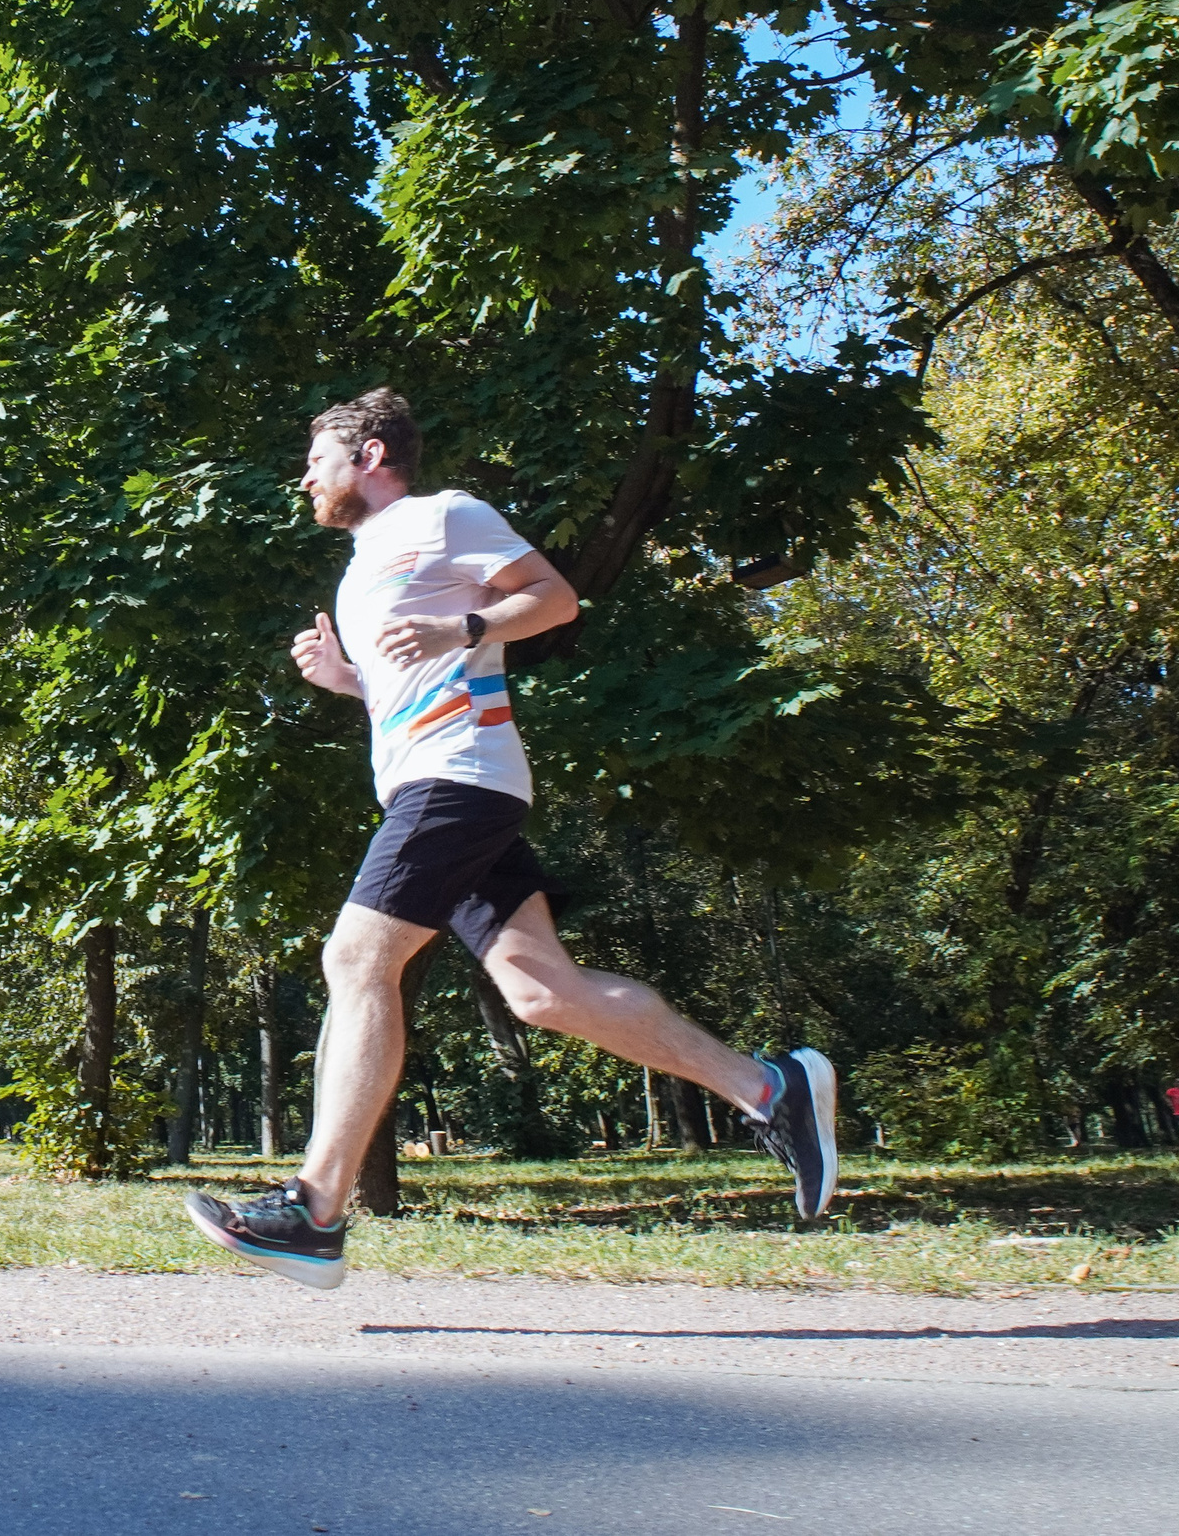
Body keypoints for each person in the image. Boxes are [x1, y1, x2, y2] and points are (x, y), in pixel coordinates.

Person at [184, 387, 840, 1290]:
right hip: (441, 778)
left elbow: (554, 597)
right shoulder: (368, 559)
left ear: (371, 455)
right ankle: (771, 1089)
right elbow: (413, 686)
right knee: (543, 991)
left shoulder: (442, 516)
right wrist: (348, 680)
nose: (305, 475)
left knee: (356, 959)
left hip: (458, 780)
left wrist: (469, 622)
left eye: (319, 458)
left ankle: (314, 1209)